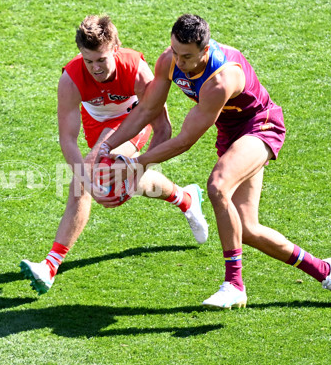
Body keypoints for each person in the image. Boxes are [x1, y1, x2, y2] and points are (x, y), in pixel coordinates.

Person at [96, 14, 331, 309]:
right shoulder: (169, 60)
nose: (179, 61)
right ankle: (325, 270)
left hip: (260, 126)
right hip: (231, 132)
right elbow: (146, 110)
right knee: (246, 228)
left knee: (217, 187)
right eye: (176, 52)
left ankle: (234, 284)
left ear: (205, 50)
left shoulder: (220, 79)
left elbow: (185, 140)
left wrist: (136, 162)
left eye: (187, 56)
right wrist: (106, 147)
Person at [19, 15, 209, 295]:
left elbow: (163, 129)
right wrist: (86, 175)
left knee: (94, 176)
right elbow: (68, 139)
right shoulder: (70, 79)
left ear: (116, 49)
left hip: (134, 121)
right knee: (85, 179)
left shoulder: (137, 70)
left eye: (102, 60)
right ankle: (186, 198)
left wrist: (138, 168)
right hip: (97, 127)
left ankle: (49, 266)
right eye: (89, 61)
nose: (95, 68)